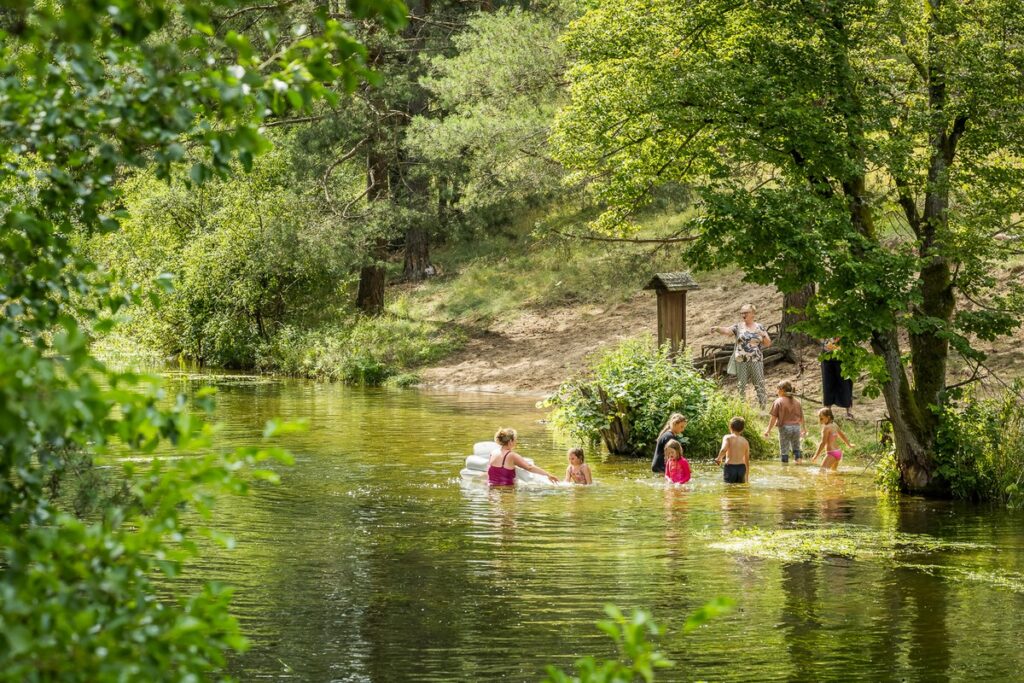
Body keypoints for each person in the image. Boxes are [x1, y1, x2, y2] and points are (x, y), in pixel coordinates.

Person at [711, 304, 771, 408]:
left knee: (759, 384)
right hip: (741, 361)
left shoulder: (760, 327)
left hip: (756, 360)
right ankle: (742, 408)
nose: (743, 315)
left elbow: (768, 343)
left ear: (753, 314)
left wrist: (763, 335)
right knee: (741, 385)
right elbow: (727, 331)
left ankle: (763, 407)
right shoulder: (738, 326)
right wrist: (717, 328)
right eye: (742, 313)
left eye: (746, 313)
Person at [487, 427, 559, 486]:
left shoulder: (493, 452)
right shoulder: (511, 455)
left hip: (491, 490)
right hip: (507, 491)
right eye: (515, 440)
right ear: (510, 441)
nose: (516, 442)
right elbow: (529, 467)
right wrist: (548, 475)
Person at [763, 380, 807, 463]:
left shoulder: (778, 401)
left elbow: (773, 418)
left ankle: (785, 467)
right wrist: (804, 429)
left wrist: (768, 430)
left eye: (777, 389)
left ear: (782, 390)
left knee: (784, 450)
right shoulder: (797, 402)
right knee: (796, 448)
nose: (777, 392)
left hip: (785, 428)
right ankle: (799, 462)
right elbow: (802, 417)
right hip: (796, 428)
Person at [820, 338, 855, 418]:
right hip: (827, 354)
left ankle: (849, 412)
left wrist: (836, 340)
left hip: (844, 354)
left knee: (845, 383)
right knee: (827, 383)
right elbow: (819, 336)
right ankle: (827, 411)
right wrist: (824, 342)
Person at [716, 416, 750, 483]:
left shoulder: (727, 437)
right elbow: (747, 461)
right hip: (741, 468)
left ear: (730, 427)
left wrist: (719, 458)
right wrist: (746, 477)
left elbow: (723, 449)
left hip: (730, 468)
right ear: (742, 429)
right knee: (739, 487)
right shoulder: (745, 441)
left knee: (729, 487)